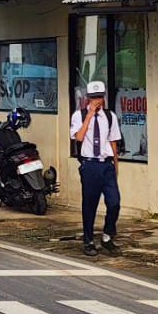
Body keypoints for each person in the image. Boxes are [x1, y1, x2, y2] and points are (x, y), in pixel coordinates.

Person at [71, 80, 123, 257]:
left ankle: (108, 236)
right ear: (87, 99)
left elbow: (113, 141)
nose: (97, 101)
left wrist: (115, 165)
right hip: (90, 164)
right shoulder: (79, 115)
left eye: (99, 97)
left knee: (114, 202)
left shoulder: (110, 117)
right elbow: (78, 137)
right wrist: (89, 115)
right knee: (90, 204)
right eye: (93, 98)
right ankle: (88, 240)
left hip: (106, 164)